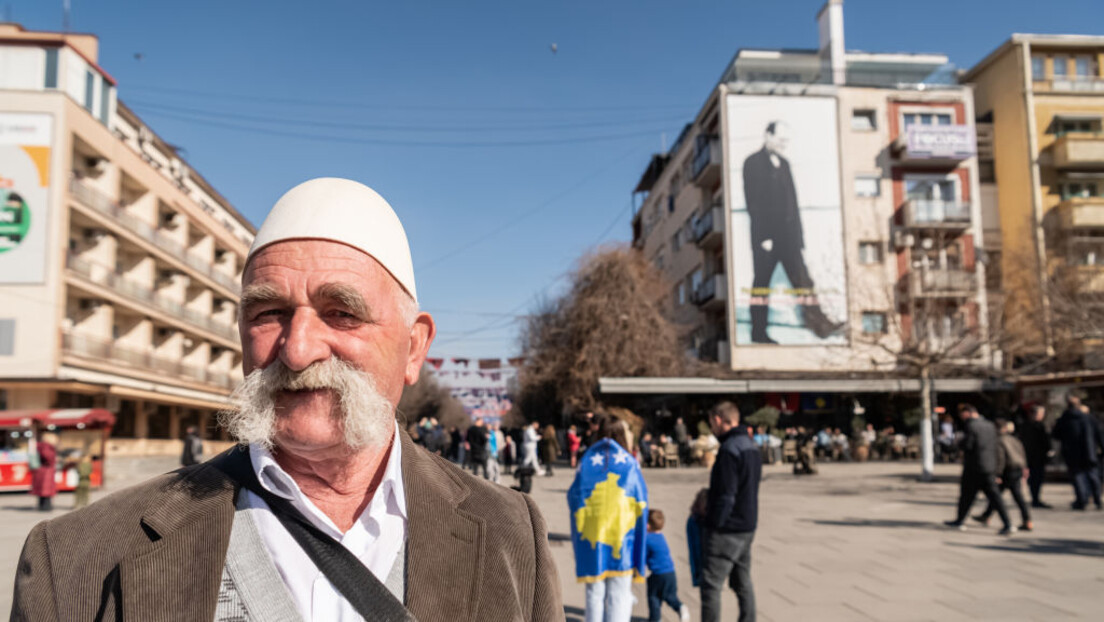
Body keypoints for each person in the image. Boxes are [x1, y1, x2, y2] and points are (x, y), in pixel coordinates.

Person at [11, 178, 561, 621]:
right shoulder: (75, 561)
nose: (296, 351)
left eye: (341, 312)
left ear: (414, 346)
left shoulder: (514, 536)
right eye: (268, 312)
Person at [742, 120, 842, 344]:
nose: (783, 144)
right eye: (780, 139)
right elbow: (754, 202)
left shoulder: (785, 164)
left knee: (803, 281)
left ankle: (820, 325)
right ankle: (758, 332)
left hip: (789, 238)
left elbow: (792, 203)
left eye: (786, 140)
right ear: (768, 136)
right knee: (761, 286)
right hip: (767, 239)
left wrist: (799, 237)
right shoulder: (753, 163)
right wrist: (764, 237)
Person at [568, 416, 648, 622]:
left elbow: (574, 496)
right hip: (622, 536)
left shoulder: (587, 461)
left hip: (592, 536)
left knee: (594, 593)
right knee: (619, 594)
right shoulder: (629, 463)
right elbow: (640, 499)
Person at [701, 402, 761, 622]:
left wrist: (714, 523)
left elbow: (727, 494)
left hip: (728, 527)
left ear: (718, 420)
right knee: (742, 581)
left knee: (711, 585)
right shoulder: (750, 446)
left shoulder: (729, 450)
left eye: (711, 423)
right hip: (747, 523)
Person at [945, 404, 1014, 535]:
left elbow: (969, 445)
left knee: (966, 496)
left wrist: (959, 443)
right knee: (995, 497)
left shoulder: (971, 426)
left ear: (967, 413)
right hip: (989, 467)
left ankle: (959, 521)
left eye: (962, 415)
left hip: (974, 467)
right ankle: (1008, 524)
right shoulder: (989, 425)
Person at [974, 420, 1033, 531]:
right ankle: (1027, 520)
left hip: (1007, 471)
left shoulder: (999, 441)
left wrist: (998, 474)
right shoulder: (1014, 439)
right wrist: (1024, 468)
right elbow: (1022, 454)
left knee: (997, 496)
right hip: (1017, 469)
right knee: (1015, 496)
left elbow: (1001, 459)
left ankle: (992, 518)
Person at [1051, 392, 1104, 510]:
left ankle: (1082, 500)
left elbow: (1056, 435)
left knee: (1078, 477)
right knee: (1092, 476)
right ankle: (1097, 500)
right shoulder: (1089, 418)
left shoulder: (1064, 419)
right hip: (1090, 452)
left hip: (1072, 454)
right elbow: (1099, 434)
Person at [644, 509, 691, 622]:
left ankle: (655, 619)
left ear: (648, 525)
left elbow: (643, 556)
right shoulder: (661, 537)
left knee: (654, 597)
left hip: (657, 574)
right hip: (670, 573)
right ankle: (680, 607)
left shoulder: (647, 539)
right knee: (670, 597)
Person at [1018, 404, 1052, 508]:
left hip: (1029, 456)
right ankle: (1035, 499)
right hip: (1037, 457)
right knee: (1036, 478)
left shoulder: (1024, 425)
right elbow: (1045, 442)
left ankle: (1035, 498)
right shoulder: (1039, 426)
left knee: (1033, 479)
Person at [686, 488, 709, 589]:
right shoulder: (694, 520)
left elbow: (693, 550)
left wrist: (695, 576)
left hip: (701, 567)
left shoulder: (692, 519)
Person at [30, 432, 58, 512]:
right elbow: (47, 456)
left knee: (42, 490)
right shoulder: (47, 447)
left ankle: (41, 505)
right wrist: (52, 461)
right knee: (46, 490)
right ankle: (46, 506)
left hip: (40, 471)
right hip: (46, 471)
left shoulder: (40, 446)